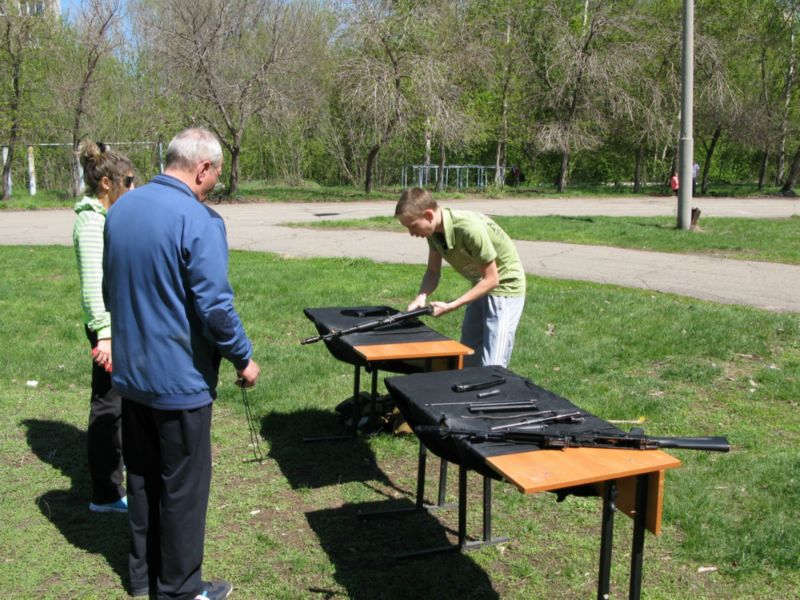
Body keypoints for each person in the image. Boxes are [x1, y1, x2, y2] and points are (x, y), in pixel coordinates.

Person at [104, 128, 260, 600]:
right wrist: (243, 357)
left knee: (142, 478)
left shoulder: (121, 209)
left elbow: (112, 291)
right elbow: (215, 307)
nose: (214, 184)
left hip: (132, 377)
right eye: (215, 174)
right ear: (202, 168)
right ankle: (180, 589)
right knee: (183, 489)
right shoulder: (199, 219)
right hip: (180, 381)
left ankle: (142, 578)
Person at [395, 187, 526, 368]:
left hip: (504, 289)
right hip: (480, 284)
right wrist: (421, 296)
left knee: (493, 367)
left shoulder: (468, 229)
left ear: (429, 215)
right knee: (468, 357)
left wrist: (451, 306)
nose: (411, 233)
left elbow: (492, 279)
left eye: (413, 226)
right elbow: (433, 272)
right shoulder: (433, 233)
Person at [72, 140, 135, 514]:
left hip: (114, 326)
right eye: (128, 181)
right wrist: (105, 335)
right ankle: (106, 493)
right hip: (106, 330)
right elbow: (94, 287)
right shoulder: (91, 222)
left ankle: (116, 478)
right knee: (108, 407)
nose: (133, 188)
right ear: (107, 183)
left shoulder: (106, 216)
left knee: (118, 403)